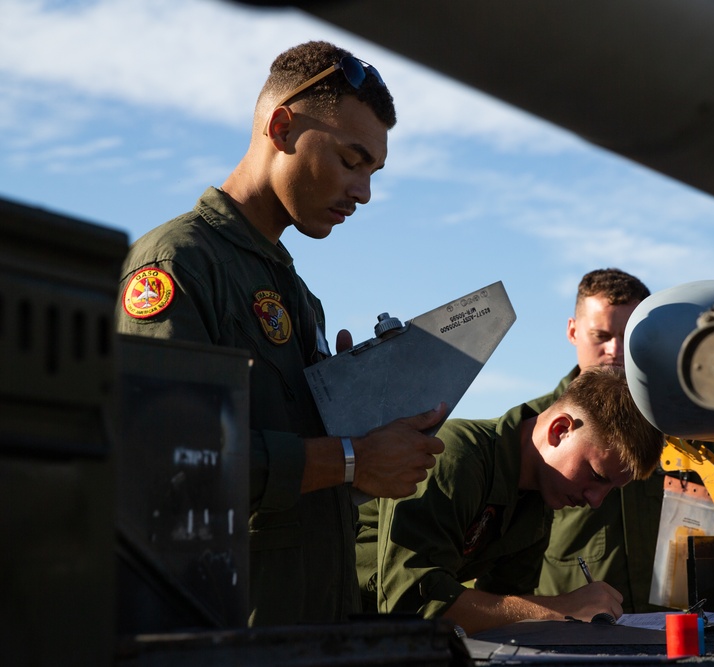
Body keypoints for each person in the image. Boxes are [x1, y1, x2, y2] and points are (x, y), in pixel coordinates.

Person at [115, 41, 446, 626]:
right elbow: (164, 463)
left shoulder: (297, 294)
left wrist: (358, 423)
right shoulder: (177, 266)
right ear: (281, 126)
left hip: (311, 628)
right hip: (224, 636)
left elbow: (296, 476)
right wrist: (350, 458)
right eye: (351, 160)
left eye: (373, 171)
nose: (364, 192)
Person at [355, 366, 664, 636]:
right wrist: (560, 607)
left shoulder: (537, 502)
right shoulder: (456, 458)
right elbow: (412, 606)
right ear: (560, 430)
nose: (596, 500)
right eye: (597, 476)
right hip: (332, 631)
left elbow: (502, 609)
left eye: (611, 489)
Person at [529, 268, 671, 613]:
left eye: (629, 337)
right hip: (572, 641)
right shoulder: (529, 433)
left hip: (680, 631)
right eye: (601, 335)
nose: (615, 350)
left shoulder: (682, 428)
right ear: (573, 332)